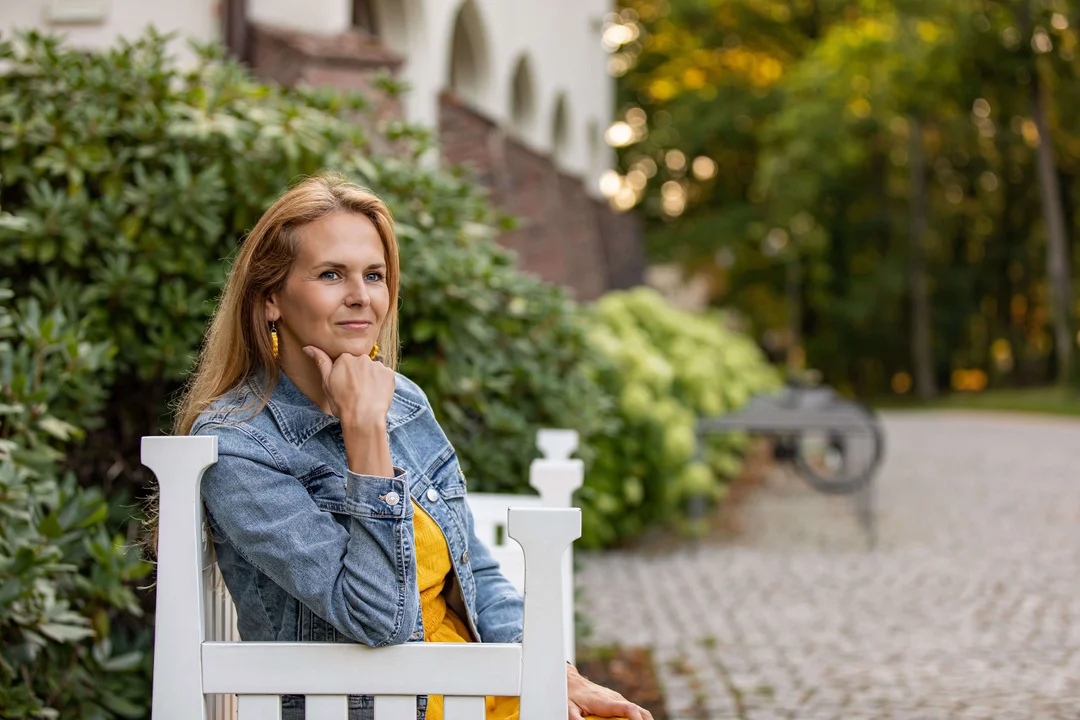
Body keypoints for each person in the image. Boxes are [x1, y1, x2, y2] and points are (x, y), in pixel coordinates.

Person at [171, 174, 651, 720]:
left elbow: (477, 571)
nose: (361, 297)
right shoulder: (238, 446)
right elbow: (379, 621)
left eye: (374, 275)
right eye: (331, 274)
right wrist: (364, 435)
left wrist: (554, 673)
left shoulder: (402, 401)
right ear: (270, 300)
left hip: (476, 691)